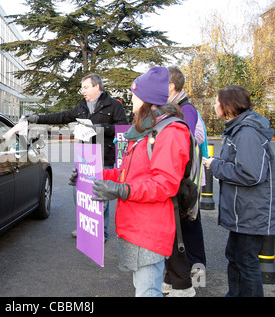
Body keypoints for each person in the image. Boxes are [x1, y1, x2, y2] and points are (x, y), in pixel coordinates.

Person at [89, 66, 191, 296]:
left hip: (149, 229)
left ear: (147, 99)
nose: (131, 98)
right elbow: (126, 174)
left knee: (147, 291)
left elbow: (165, 184)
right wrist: (94, 176)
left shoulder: (170, 132)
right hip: (136, 226)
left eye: (134, 94)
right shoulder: (145, 130)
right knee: (143, 289)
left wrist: (122, 190)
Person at [26, 74, 129, 241]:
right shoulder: (82, 106)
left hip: (104, 157)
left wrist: (101, 127)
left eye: (86, 87)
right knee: (79, 193)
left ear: (97, 87)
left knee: (100, 196)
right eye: (82, 88)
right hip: (85, 157)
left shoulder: (114, 106)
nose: (83, 91)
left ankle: (101, 232)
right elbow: (62, 116)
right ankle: (86, 227)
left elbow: (123, 127)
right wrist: (37, 118)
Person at [204, 85, 275, 297]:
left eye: (217, 101)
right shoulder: (239, 129)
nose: (214, 105)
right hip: (244, 211)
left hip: (251, 212)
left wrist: (216, 165)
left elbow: (251, 174)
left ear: (228, 105)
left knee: (246, 262)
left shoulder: (247, 133)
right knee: (235, 257)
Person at [162, 66, 207, 297]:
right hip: (186, 180)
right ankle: (191, 274)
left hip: (188, 182)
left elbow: (183, 144)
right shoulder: (178, 107)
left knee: (190, 229)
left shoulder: (185, 109)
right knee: (187, 228)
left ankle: (197, 276)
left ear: (171, 87)